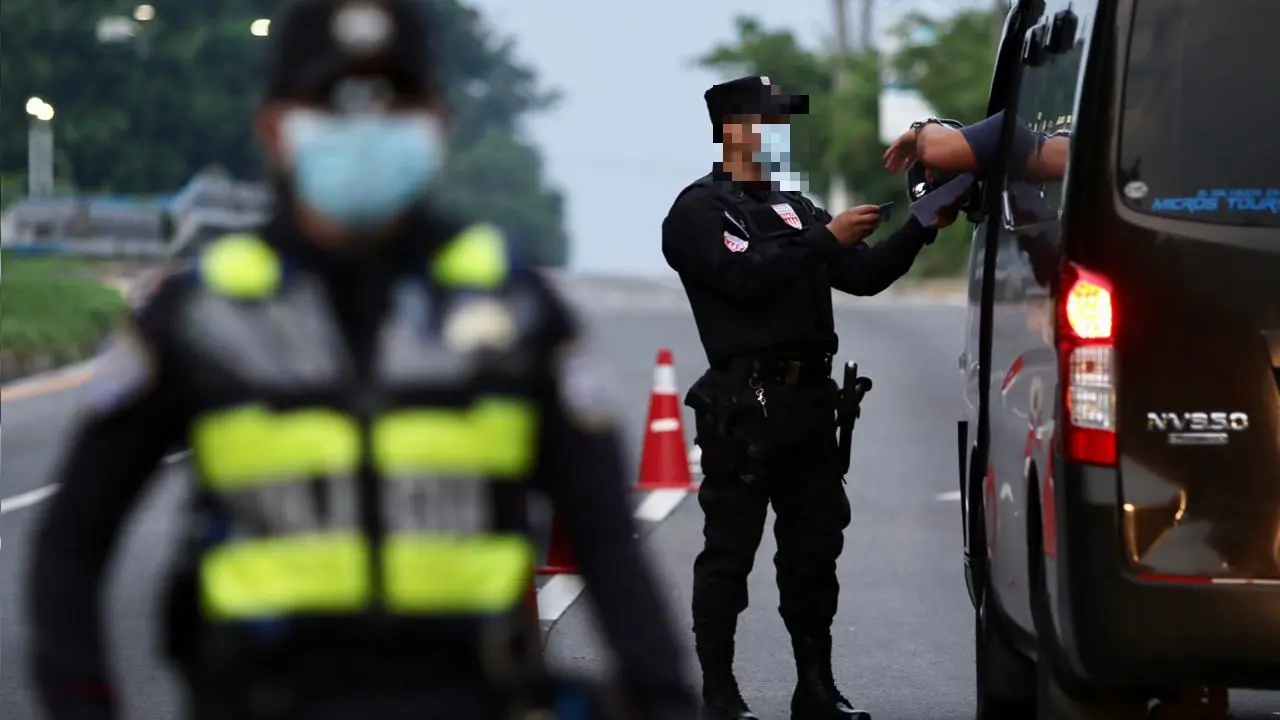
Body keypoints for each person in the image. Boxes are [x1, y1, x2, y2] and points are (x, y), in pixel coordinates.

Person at [25, 1, 696, 719]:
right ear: (275, 129)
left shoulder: (515, 311)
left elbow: (605, 544)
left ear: (438, 124)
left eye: (392, 99)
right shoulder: (202, 316)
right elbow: (71, 546)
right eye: (334, 101)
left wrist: (664, 701)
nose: (365, 122)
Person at [661, 75, 959, 720]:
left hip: (809, 406)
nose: (777, 133)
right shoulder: (699, 212)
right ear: (735, 129)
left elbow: (863, 275)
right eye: (768, 121)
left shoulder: (796, 206)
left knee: (814, 552)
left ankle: (816, 688)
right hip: (744, 406)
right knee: (731, 552)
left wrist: (922, 223)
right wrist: (825, 243)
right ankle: (718, 692)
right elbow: (742, 279)